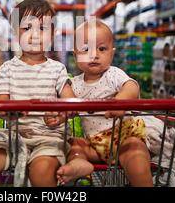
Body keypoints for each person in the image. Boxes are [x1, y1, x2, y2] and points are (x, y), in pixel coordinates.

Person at [0, 0, 75, 187]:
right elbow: (2, 105)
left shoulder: (57, 69)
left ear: (52, 34)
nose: (34, 35)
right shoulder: (6, 69)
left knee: (41, 172)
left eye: (42, 29)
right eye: (27, 28)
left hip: (48, 138)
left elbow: (70, 102)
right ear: (16, 33)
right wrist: (11, 110)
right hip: (12, 136)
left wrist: (60, 115)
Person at [56, 19, 153, 187]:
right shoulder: (74, 84)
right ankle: (79, 162)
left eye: (102, 49)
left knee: (136, 154)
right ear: (75, 54)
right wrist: (61, 116)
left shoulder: (113, 74)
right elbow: (69, 106)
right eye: (86, 49)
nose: (94, 55)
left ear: (112, 54)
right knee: (73, 144)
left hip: (124, 137)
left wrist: (120, 102)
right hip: (95, 144)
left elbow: (132, 87)